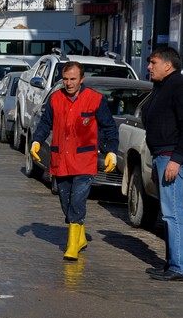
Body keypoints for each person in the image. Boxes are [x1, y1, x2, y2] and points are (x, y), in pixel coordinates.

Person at [30, 61, 118, 261]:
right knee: (65, 200)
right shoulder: (55, 99)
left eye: (73, 79)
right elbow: (45, 123)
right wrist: (37, 140)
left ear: (82, 80)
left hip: (84, 160)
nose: (69, 83)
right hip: (61, 159)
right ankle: (79, 236)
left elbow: (109, 127)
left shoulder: (95, 100)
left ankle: (72, 245)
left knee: (77, 199)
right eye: (66, 79)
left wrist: (112, 151)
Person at [142, 47, 183, 281]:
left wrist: (176, 159)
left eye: (153, 62)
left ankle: (180, 266)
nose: (149, 66)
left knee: (174, 213)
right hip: (161, 156)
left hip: (172, 157)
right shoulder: (161, 86)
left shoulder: (179, 85)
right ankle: (172, 262)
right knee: (167, 212)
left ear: (167, 65)